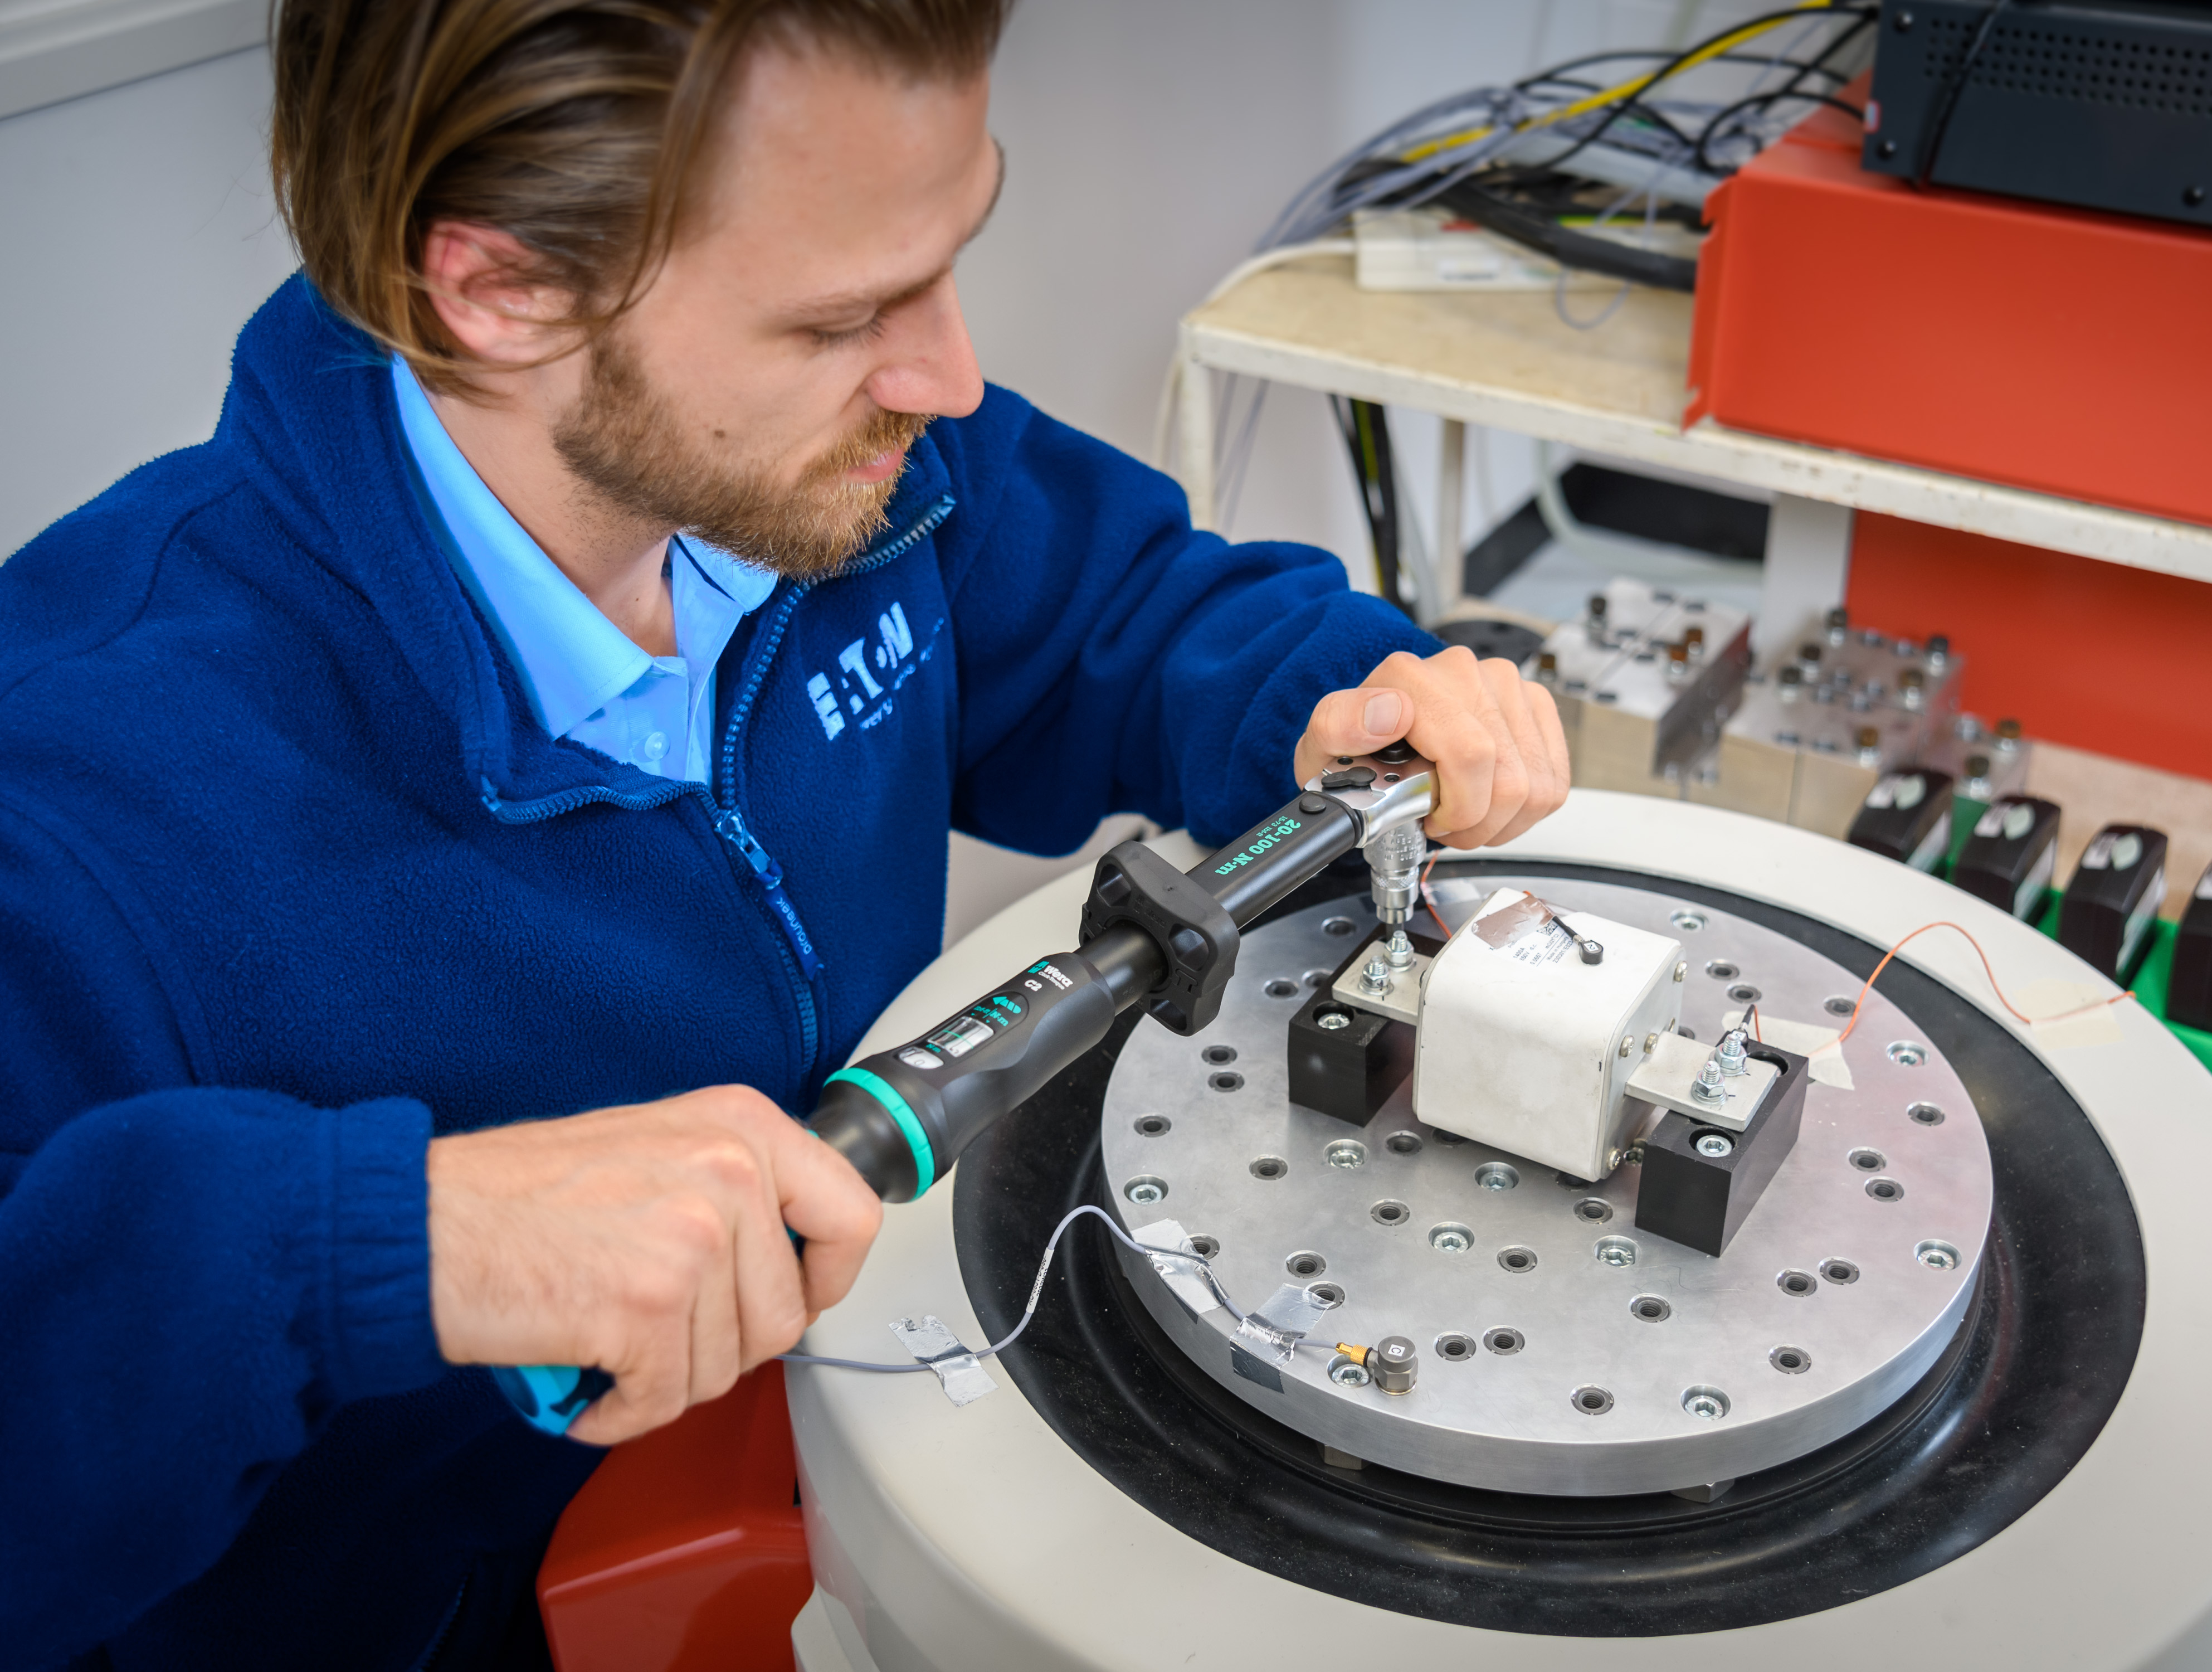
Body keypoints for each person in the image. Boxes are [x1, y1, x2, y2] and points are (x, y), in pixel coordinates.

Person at [0, 0, 1568, 1665]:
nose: (949, 376)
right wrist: (383, 1245)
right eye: (841, 317)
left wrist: (1336, 702)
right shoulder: (82, 793)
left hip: (845, 1435)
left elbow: (1124, 615)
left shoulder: (855, 473)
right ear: (503, 290)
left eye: (950, 255)